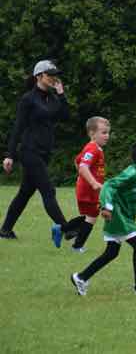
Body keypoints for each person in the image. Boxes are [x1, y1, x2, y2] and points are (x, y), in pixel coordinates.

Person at [70, 140, 136, 296]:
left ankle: (81, 277)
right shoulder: (132, 173)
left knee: (111, 252)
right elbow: (109, 186)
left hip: (120, 217)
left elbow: (128, 196)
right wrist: (106, 207)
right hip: (118, 217)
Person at [1, 60, 73, 246]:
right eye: (50, 75)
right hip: (29, 151)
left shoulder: (52, 98)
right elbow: (18, 127)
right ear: (39, 76)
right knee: (48, 190)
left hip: (44, 153)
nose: (53, 78)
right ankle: (67, 229)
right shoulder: (28, 99)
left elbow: (65, 117)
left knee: (25, 193)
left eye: (55, 75)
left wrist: (61, 94)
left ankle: (5, 230)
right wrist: (9, 154)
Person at [64, 117, 110, 252]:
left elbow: (77, 161)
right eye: (103, 133)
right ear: (92, 133)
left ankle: (66, 231)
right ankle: (74, 243)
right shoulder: (92, 149)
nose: (107, 136)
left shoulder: (93, 148)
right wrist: (93, 183)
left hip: (88, 189)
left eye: (108, 132)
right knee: (92, 217)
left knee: (90, 216)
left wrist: (82, 178)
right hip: (89, 190)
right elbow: (83, 166)